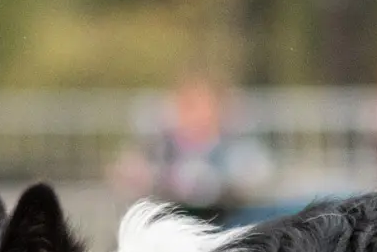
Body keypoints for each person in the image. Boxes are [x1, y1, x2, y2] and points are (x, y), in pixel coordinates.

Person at [110, 74, 273, 224]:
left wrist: (228, 186)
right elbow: (127, 173)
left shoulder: (234, 145)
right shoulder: (161, 146)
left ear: (216, 109)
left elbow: (258, 175)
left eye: (199, 106)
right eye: (186, 106)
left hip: (225, 222)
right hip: (173, 224)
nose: (193, 115)